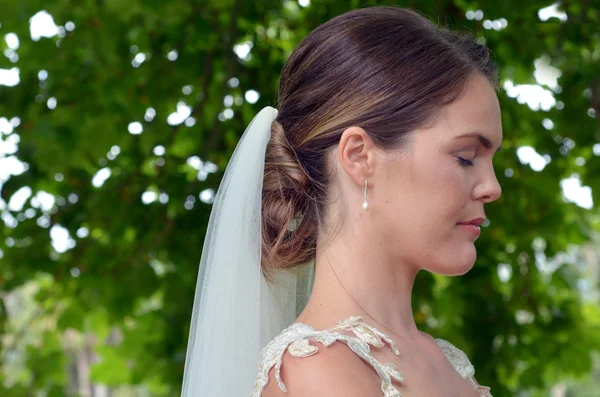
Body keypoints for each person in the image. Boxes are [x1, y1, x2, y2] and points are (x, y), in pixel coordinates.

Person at [181, 6, 502, 397]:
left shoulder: (448, 363)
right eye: (466, 156)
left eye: (491, 160)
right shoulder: (318, 373)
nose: (492, 187)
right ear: (359, 156)